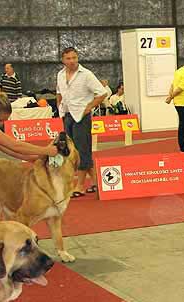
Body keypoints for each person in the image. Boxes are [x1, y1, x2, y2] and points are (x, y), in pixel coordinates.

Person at [56, 47, 106, 197]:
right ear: (63, 60)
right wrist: (59, 107)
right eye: (68, 58)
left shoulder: (87, 75)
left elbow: (102, 93)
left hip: (81, 117)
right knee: (71, 151)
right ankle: (98, 183)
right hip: (67, 116)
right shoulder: (60, 74)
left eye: (74, 58)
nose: (72, 61)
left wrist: (89, 107)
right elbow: (59, 91)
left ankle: (79, 186)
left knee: (82, 151)